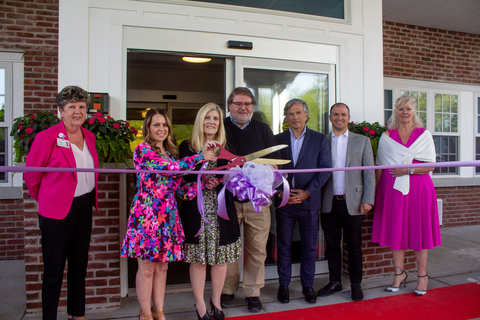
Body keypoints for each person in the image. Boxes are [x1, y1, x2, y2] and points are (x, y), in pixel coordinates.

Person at [120, 108, 216, 320]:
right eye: (156, 125)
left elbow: (180, 187)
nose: (161, 129)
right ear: (148, 128)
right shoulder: (143, 150)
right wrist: (200, 157)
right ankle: (145, 315)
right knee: (146, 268)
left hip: (168, 214)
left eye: (164, 125)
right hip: (147, 214)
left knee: (162, 267)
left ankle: (159, 312)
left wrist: (203, 186)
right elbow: (170, 169)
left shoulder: (170, 153)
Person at [25, 85, 99, 320]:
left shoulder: (90, 137)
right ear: (60, 111)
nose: (77, 111)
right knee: (54, 271)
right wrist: (50, 200)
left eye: (81, 106)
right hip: (56, 212)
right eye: (71, 107)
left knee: (79, 267)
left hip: (83, 207)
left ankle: (77, 315)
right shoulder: (46, 137)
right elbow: (32, 177)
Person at [372, 94, 441, 296]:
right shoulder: (387, 136)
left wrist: (408, 170)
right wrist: (375, 194)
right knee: (397, 232)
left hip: (419, 189)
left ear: (414, 112)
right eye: (401, 109)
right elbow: (380, 167)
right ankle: (399, 274)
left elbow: (431, 165)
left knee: (419, 231)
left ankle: (422, 276)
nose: (404, 113)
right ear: (395, 112)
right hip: (392, 190)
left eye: (408, 109)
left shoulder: (423, 134)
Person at [179, 103, 242, 320]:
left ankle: (216, 302)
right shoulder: (187, 146)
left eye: (215, 118)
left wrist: (226, 179)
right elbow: (183, 176)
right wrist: (202, 178)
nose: (211, 122)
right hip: (196, 210)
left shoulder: (227, 146)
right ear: (200, 121)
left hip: (221, 209)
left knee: (220, 258)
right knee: (199, 260)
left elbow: (235, 178)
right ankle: (200, 305)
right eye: (207, 118)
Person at [221, 87, 278, 312]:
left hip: (257, 202)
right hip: (228, 200)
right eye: (238, 104)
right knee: (229, 247)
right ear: (230, 106)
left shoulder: (263, 130)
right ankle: (227, 288)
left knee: (257, 248)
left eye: (247, 104)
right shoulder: (220, 128)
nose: (243, 108)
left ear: (252, 106)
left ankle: (253, 291)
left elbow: (276, 161)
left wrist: (269, 167)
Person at [274, 99, 331, 304]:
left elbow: (325, 170)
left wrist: (307, 192)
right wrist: (280, 192)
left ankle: (308, 285)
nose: (295, 117)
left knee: (309, 246)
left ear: (306, 115)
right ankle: (284, 285)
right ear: (286, 117)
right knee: (284, 245)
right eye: (290, 114)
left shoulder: (319, 139)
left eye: (298, 113)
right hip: (285, 203)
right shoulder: (277, 139)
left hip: (309, 202)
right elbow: (271, 170)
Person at [319, 102, 375, 302]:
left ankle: (355, 284)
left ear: (348, 117)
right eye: (335, 114)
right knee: (332, 245)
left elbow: (369, 173)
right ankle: (335, 282)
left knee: (354, 246)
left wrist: (368, 199)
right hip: (329, 202)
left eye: (343, 114)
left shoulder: (362, 141)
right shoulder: (322, 141)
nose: (339, 118)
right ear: (330, 117)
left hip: (354, 201)